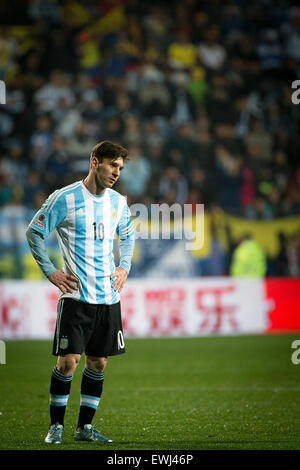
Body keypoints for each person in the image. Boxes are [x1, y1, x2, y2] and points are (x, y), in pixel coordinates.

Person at [26, 140, 135, 444]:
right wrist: (51, 271)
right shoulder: (65, 198)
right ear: (94, 161)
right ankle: (56, 426)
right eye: (112, 165)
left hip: (108, 298)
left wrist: (124, 267)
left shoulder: (118, 202)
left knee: (98, 362)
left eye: (120, 168)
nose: (116, 172)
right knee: (68, 361)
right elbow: (34, 232)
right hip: (76, 297)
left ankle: (84, 428)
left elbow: (127, 237)